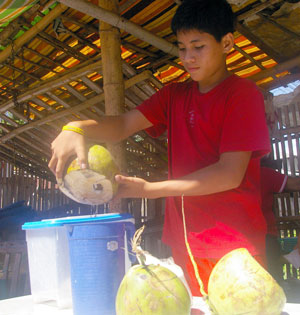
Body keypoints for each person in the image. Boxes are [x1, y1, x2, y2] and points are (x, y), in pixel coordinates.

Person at [48, 0, 270, 296]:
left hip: (232, 246)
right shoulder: (174, 95)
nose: (188, 57)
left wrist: (149, 190)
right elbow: (122, 125)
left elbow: (229, 174)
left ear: (226, 42)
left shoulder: (242, 94)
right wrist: (75, 127)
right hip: (183, 241)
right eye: (181, 48)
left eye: (198, 46)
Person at [260, 164, 300, 284]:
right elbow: (296, 184)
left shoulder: (221, 175)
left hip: (238, 235)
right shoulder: (262, 173)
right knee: (272, 279)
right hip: (266, 235)